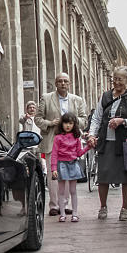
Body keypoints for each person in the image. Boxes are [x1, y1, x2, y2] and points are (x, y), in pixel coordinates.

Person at [88, 66, 127, 221]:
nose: (116, 82)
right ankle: (103, 207)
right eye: (114, 78)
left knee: (126, 177)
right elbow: (97, 118)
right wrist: (92, 134)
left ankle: (125, 209)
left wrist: (122, 121)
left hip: (125, 143)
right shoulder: (105, 96)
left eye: (120, 79)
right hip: (106, 142)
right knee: (103, 176)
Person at [35, 72, 88, 216]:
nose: (63, 83)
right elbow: (37, 119)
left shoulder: (77, 100)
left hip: (70, 142)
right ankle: (54, 206)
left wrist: (72, 121)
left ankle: (65, 205)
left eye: (65, 81)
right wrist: (51, 123)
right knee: (54, 174)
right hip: (52, 139)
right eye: (60, 81)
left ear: (69, 83)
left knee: (68, 173)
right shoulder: (46, 98)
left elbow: (84, 120)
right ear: (56, 83)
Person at [51, 112, 92, 222]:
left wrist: (88, 147)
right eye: (65, 123)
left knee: (73, 191)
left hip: (73, 164)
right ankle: (62, 213)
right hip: (61, 165)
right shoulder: (58, 138)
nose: (68, 125)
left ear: (74, 124)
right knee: (61, 191)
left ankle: (75, 213)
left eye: (70, 123)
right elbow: (54, 154)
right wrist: (53, 168)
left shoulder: (76, 138)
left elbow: (79, 153)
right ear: (61, 124)